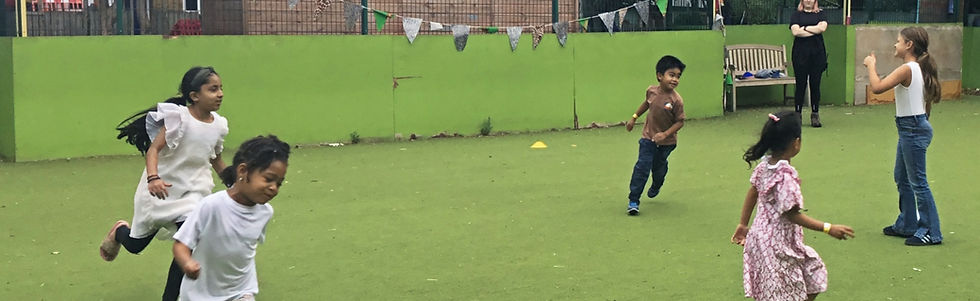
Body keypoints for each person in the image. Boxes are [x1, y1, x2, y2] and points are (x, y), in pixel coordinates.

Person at [99, 66, 228, 300]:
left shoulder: (218, 125)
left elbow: (216, 158)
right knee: (135, 246)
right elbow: (153, 150)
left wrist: (234, 184)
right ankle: (120, 232)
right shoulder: (179, 119)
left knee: (189, 242)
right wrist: (153, 178)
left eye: (220, 88)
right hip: (160, 191)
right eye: (212, 89)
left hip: (193, 193)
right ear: (194, 96)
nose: (220, 94)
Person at [731, 111, 855, 301]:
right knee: (784, 291)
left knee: (811, 271)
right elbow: (792, 214)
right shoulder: (785, 177)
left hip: (761, 239)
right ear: (796, 143)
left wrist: (743, 224)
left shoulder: (764, 166)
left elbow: (752, 192)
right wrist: (828, 228)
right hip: (777, 245)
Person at [173, 135, 290, 301]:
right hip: (199, 294)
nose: (274, 188)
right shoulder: (212, 205)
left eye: (279, 183)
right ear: (243, 171)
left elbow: (244, 249)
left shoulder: (265, 212)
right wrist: (187, 263)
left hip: (241, 291)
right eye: (268, 179)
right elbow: (181, 245)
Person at [863, 26, 943, 246]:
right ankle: (907, 224)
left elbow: (877, 87)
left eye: (898, 41)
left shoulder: (907, 69)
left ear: (909, 45)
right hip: (910, 127)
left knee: (918, 182)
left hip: (912, 129)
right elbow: (925, 103)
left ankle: (931, 231)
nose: (895, 44)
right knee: (902, 177)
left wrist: (871, 65)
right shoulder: (917, 68)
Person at [624, 55, 686, 215]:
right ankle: (633, 200)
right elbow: (646, 103)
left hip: (667, 143)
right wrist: (634, 118)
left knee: (658, 169)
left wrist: (665, 134)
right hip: (648, 138)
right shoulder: (651, 91)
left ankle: (657, 184)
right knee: (642, 167)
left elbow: (680, 122)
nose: (675, 79)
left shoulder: (677, 100)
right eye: (671, 75)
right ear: (659, 76)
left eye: (678, 76)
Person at [789, 0, 828, 127]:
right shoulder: (796, 15)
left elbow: (822, 28)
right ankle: (797, 115)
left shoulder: (821, 14)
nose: (808, 1)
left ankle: (815, 115)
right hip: (800, 55)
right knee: (800, 85)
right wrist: (814, 29)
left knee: (815, 85)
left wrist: (804, 28)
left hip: (817, 55)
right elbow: (795, 32)